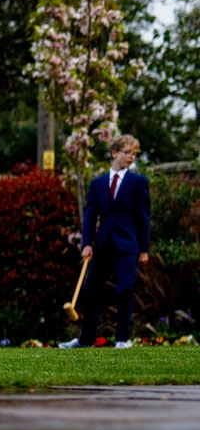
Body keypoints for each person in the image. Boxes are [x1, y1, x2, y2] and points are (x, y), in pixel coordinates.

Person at [60, 135, 151, 349]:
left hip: (128, 245)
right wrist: (87, 244)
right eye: (128, 152)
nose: (132, 157)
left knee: (124, 289)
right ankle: (85, 340)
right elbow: (90, 216)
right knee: (91, 289)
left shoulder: (139, 183)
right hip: (102, 245)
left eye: (134, 154)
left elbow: (143, 217)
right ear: (114, 153)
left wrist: (144, 249)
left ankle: (122, 339)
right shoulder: (98, 183)